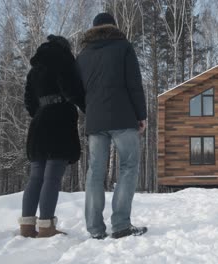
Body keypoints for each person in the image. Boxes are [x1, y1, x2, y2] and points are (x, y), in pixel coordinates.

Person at [77, 13, 147, 240]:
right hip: (123, 117)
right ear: (114, 27)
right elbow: (134, 83)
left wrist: (90, 109)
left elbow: (78, 90)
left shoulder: (83, 55)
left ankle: (95, 229)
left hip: (96, 120)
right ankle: (120, 225)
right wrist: (141, 115)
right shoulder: (123, 47)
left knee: (95, 171)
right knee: (128, 166)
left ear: (93, 29)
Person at [18, 35, 85, 238]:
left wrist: (40, 112)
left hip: (38, 123)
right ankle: (46, 226)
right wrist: (85, 106)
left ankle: (27, 226)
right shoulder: (63, 60)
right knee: (52, 177)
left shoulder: (34, 70)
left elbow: (29, 101)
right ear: (65, 48)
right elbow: (71, 90)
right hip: (59, 122)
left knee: (36, 176)